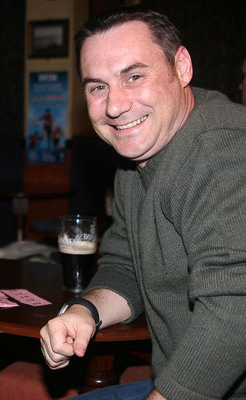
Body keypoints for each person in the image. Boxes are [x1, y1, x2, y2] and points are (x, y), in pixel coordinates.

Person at [40, 6, 246, 400]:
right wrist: (86, 311)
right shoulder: (137, 157)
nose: (115, 107)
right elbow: (125, 265)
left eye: (134, 76)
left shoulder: (222, 153)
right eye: (97, 87)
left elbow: (236, 309)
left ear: (181, 67)